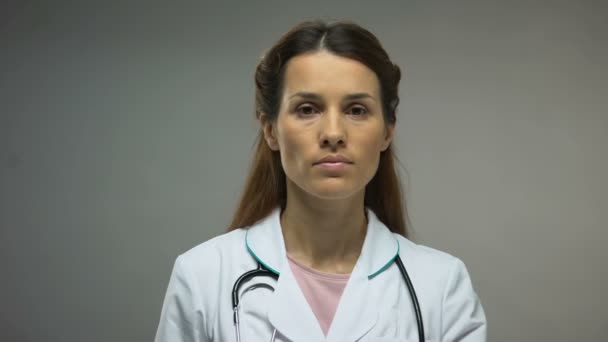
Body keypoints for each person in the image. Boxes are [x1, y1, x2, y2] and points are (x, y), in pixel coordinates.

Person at [154, 19, 487, 342]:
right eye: (307, 109)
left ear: (387, 131)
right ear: (270, 130)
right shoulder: (202, 277)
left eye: (356, 110)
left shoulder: (441, 288)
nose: (332, 134)